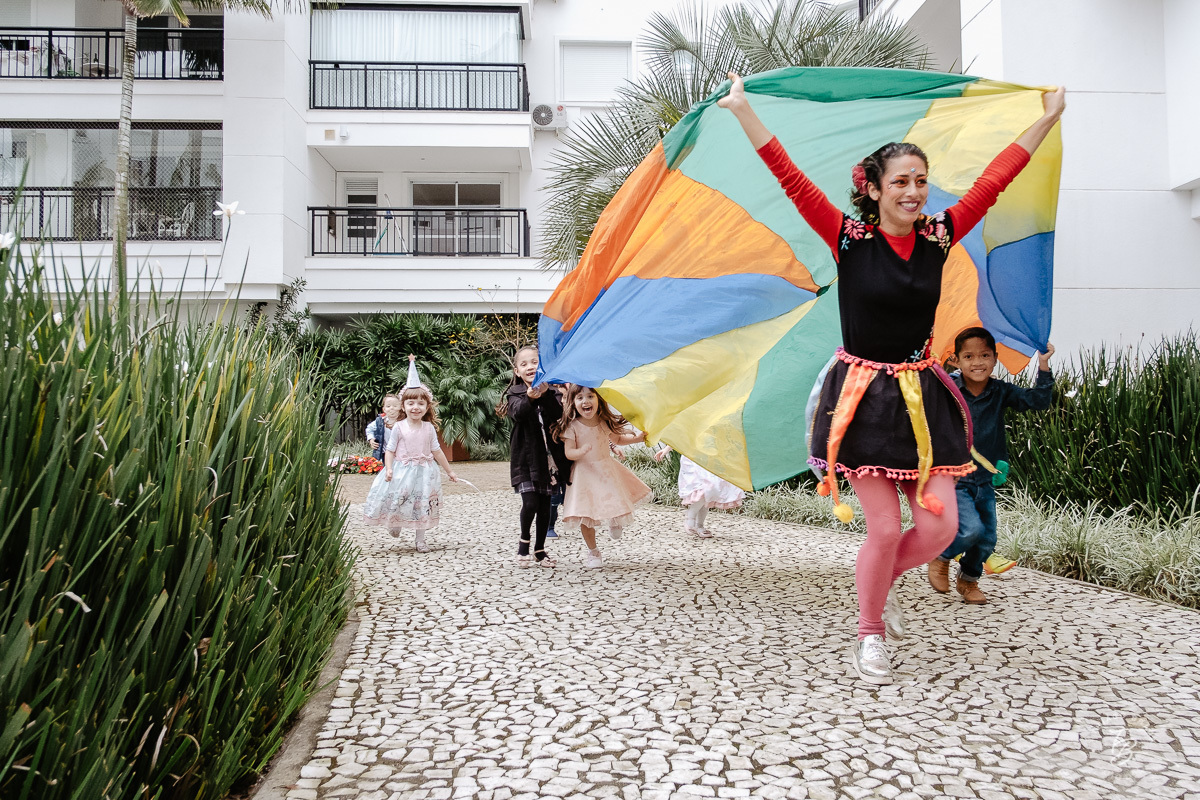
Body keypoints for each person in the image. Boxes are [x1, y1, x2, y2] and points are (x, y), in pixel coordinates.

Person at [719, 71, 1065, 684]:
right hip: (863, 401)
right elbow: (788, 176)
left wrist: (1047, 118)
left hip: (923, 398)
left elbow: (995, 180)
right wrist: (744, 110)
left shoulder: (940, 234)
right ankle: (870, 633)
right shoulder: (849, 239)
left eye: (920, 181)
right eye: (900, 181)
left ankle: (878, 583)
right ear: (874, 189)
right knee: (883, 529)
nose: (913, 191)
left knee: (941, 528)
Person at [929, 328, 1055, 603]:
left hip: (985, 478)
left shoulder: (1000, 391)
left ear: (995, 358)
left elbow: (1038, 401)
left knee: (987, 538)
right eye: (969, 356)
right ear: (956, 360)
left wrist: (1043, 363)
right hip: (955, 477)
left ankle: (968, 580)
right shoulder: (948, 389)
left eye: (985, 355)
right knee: (970, 530)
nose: (977, 362)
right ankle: (942, 556)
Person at [362, 355, 458, 551]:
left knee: (421, 504)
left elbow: (437, 451)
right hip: (402, 470)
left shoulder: (428, 428)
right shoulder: (399, 427)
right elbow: (390, 450)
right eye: (411, 403)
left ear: (427, 407)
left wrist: (449, 471)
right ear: (403, 406)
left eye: (421, 404)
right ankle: (395, 522)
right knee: (400, 498)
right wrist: (389, 468)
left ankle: (420, 539)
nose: (416, 407)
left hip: (424, 472)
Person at [554, 385, 651, 569]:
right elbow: (569, 452)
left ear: (599, 400)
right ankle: (593, 551)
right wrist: (580, 451)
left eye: (590, 396)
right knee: (585, 513)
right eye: (580, 398)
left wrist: (637, 438)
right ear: (573, 403)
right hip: (584, 473)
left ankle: (615, 520)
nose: (586, 401)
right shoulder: (572, 426)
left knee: (614, 497)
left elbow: (618, 439)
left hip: (605, 469)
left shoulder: (603, 421)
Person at [497, 345, 571, 568]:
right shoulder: (515, 393)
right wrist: (529, 398)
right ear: (517, 371)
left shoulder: (553, 391)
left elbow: (558, 414)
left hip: (549, 461)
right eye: (524, 364)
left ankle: (539, 550)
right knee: (530, 503)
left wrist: (545, 394)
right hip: (526, 459)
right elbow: (518, 414)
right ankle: (523, 544)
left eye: (534, 362)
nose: (530, 367)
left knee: (545, 506)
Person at [654, 446, 745, 538]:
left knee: (709, 493)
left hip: (711, 457)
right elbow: (681, 438)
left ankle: (699, 525)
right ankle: (690, 518)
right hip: (693, 459)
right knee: (703, 489)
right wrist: (666, 449)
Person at [366, 394, 402, 462]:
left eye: (395, 406)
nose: (391, 408)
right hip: (385, 453)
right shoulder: (380, 421)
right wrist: (371, 439)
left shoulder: (404, 421)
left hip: (401, 454)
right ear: (384, 409)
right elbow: (369, 429)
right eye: (388, 406)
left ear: (401, 407)